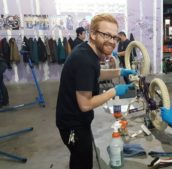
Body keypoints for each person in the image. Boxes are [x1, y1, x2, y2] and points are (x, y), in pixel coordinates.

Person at [56, 13, 137, 169]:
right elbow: (85, 105)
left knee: (78, 160)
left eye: (115, 37)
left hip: (74, 120)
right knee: (83, 163)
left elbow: (96, 73)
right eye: (106, 35)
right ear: (92, 34)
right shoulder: (84, 60)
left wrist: (120, 71)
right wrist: (115, 91)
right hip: (74, 125)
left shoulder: (86, 51)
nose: (112, 41)